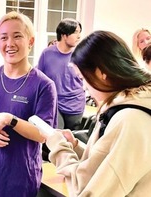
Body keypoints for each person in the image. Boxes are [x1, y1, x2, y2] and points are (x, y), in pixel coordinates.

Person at [43, 30, 151, 196]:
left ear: (101, 73)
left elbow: (86, 189)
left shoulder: (129, 118)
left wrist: (59, 147)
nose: (85, 87)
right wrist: (76, 147)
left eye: (83, 78)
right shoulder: (135, 106)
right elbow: (108, 164)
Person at [0, 11, 58, 197]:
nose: (10, 44)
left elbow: (43, 135)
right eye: (4, 37)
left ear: (30, 42)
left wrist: (12, 120)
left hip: (20, 179)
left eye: (17, 36)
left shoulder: (43, 85)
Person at [37, 18, 85, 130]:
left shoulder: (81, 55)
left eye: (79, 32)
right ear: (64, 35)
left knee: (72, 142)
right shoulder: (47, 53)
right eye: (76, 32)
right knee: (58, 138)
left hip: (75, 105)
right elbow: (39, 78)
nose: (79, 36)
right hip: (55, 104)